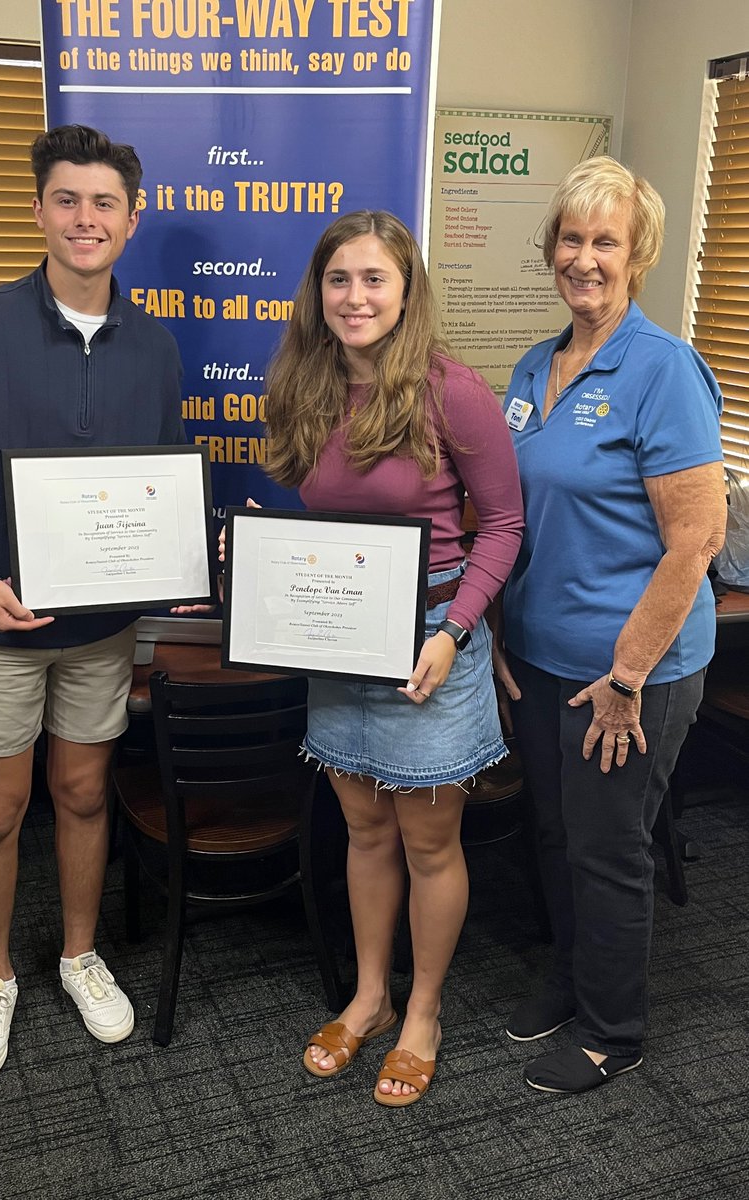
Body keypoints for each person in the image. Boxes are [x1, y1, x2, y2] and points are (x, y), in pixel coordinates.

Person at [0, 125, 185, 1079]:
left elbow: (157, 489)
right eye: (68, 200)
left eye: (105, 203)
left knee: (85, 792)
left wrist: (177, 559)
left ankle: (78, 955)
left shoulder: (155, 345)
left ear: (131, 222)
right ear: (38, 211)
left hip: (103, 629)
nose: (85, 219)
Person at [263, 210, 524, 1105]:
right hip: (342, 639)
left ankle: (425, 1013)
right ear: (319, 291)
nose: (355, 296)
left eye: (375, 279)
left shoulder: (453, 391)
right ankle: (371, 996)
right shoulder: (303, 382)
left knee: (427, 840)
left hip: (431, 644)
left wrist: (454, 636)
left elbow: (505, 528)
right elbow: (321, 520)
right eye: (339, 280)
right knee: (364, 829)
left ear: (406, 289)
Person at [493, 156, 727, 1094]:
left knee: (607, 845)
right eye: (571, 238)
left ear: (638, 258)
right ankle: (570, 973)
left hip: (633, 673)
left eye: (605, 241)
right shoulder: (532, 364)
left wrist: (629, 675)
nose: (583, 258)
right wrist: (502, 636)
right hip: (544, 657)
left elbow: (695, 541)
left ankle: (612, 1029)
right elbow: (515, 517)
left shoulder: (662, 369)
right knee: (552, 832)